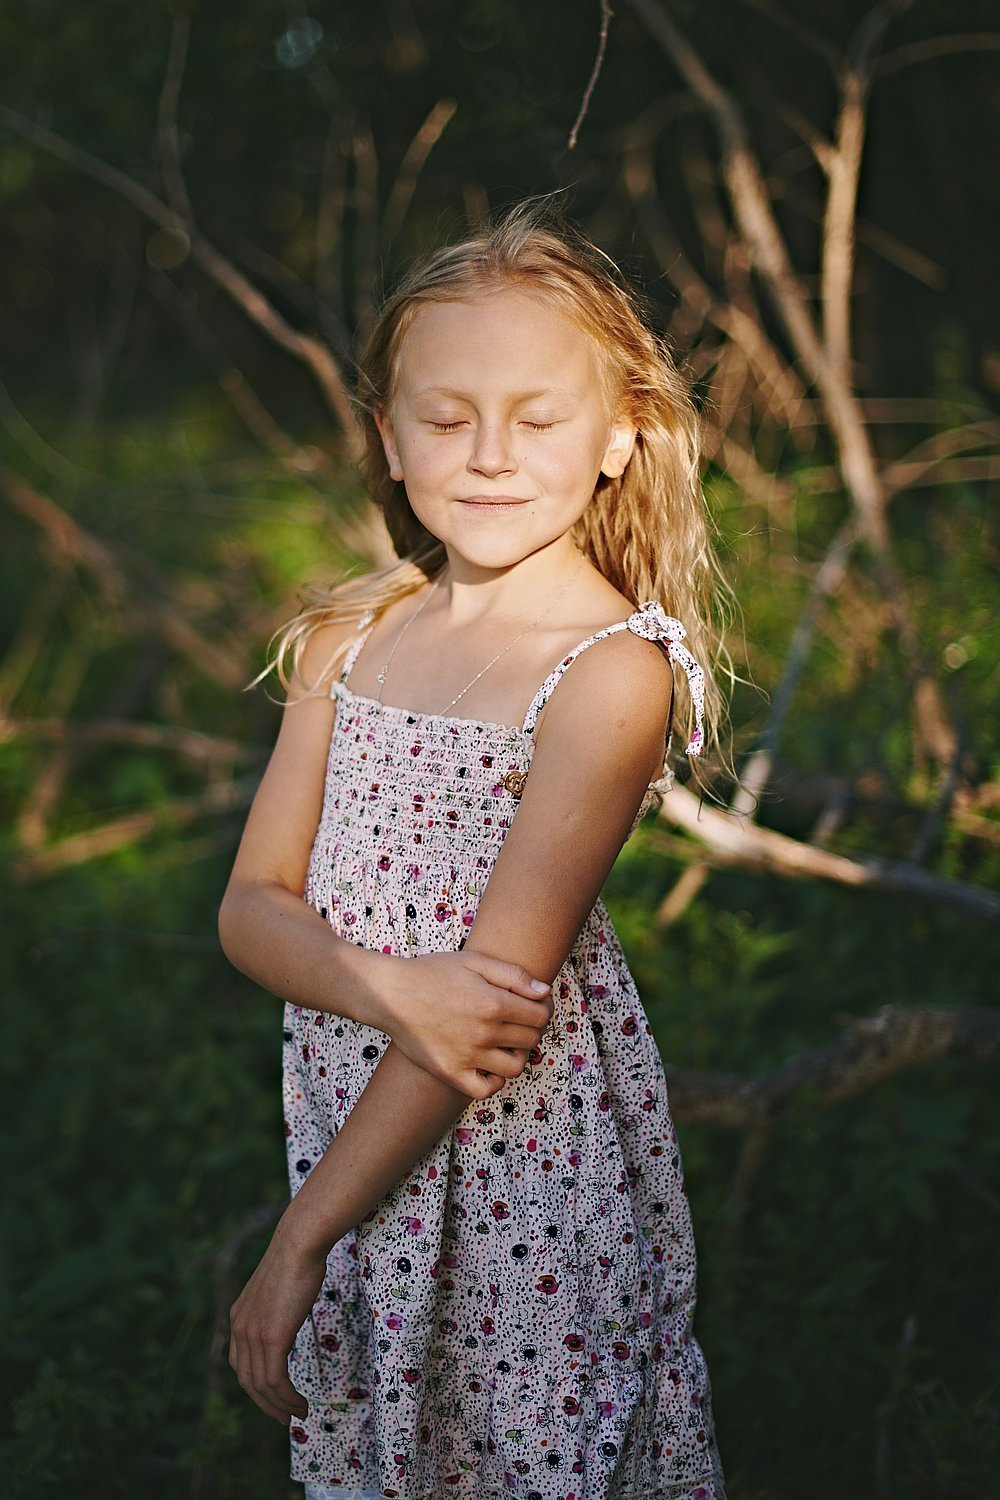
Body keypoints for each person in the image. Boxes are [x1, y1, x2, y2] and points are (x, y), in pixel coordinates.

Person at [218, 202, 729, 1500]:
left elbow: (486, 1030)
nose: (489, 456)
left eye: (539, 418)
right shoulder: (353, 635)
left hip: (517, 1170)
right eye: (446, 419)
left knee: (524, 1451)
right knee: (399, 1451)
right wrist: (396, 991)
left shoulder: (607, 677)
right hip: (360, 1129)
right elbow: (250, 912)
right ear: (387, 438)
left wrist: (299, 1239)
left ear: (622, 434)